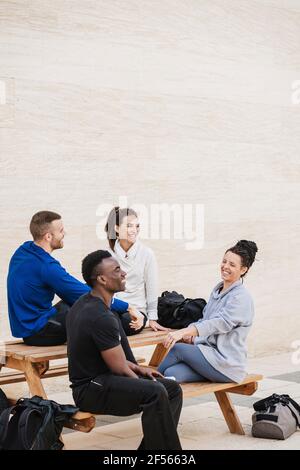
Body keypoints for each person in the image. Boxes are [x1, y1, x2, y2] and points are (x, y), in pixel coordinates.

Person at [66, 250, 182, 450]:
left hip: (100, 382)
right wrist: (143, 386)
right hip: (91, 390)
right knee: (156, 392)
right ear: (102, 279)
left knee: (172, 390)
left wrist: (141, 370)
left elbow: (115, 360)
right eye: (117, 270)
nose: (124, 274)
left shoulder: (87, 304)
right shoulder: (100, 316)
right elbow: (119, 368)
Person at [7, 211, 132, 346]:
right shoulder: (46, 266)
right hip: (41, 333)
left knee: (91, 295)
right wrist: (128, 307)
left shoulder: (24, 251)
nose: (64, 234)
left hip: (31, 328)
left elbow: (76, 290)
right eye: (61, 231)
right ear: (48, 236)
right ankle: (130, 322)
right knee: (99, 304)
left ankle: (126, 318)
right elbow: (84, 294)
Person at [158, 240, 258, 384]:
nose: (225, 266)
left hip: (227, 364)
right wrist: (193, 336)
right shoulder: (218, 291)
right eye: (224, 261)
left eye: (232, 264)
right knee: (171, 373)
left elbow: (219, 323)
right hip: (209, 359)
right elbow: (205, 320)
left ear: (243, 270)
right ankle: (157, 395)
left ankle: (145, 388)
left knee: (178, 349)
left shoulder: (241, 297)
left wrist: (184, 332)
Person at [105, 206, 168, 335]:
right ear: (116, 228)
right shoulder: (108, 255)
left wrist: (153, 318)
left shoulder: (147, 254)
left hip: (137, 311)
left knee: (120, 324)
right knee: (107, 322)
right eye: (129, 226)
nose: (134, 230)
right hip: (113, 307)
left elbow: (152, 287)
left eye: (137, 226)